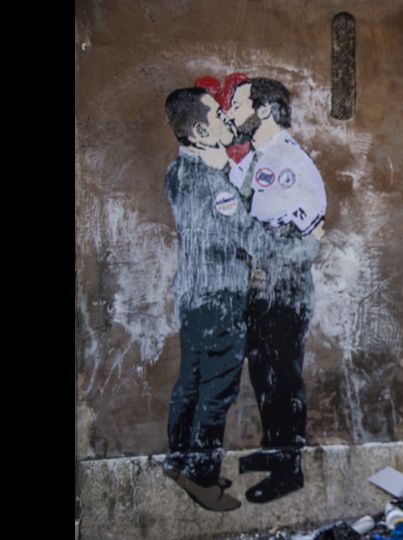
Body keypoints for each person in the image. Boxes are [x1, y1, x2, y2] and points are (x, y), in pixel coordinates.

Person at [224, 77, 327, 504]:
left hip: (283, 294)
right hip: (260, 291)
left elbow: (306, 240)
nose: (232, 112)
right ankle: (273, 447)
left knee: (283, 379)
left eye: (238, 105)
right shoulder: (256, 157)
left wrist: (255, 248)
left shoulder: (290, 163)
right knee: (262, 375)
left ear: (263, 110)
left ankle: (289, 469)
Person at [161, 88, 254, 512]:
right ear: (201, 132)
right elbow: (240, 234)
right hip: (220, 298)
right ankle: (201, 479)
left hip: (193, 296)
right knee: (216, 391)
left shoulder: (176, 172)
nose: (225, 118)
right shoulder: (213, 181)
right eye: (218, 114)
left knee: (191, 384)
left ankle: (180, 461)